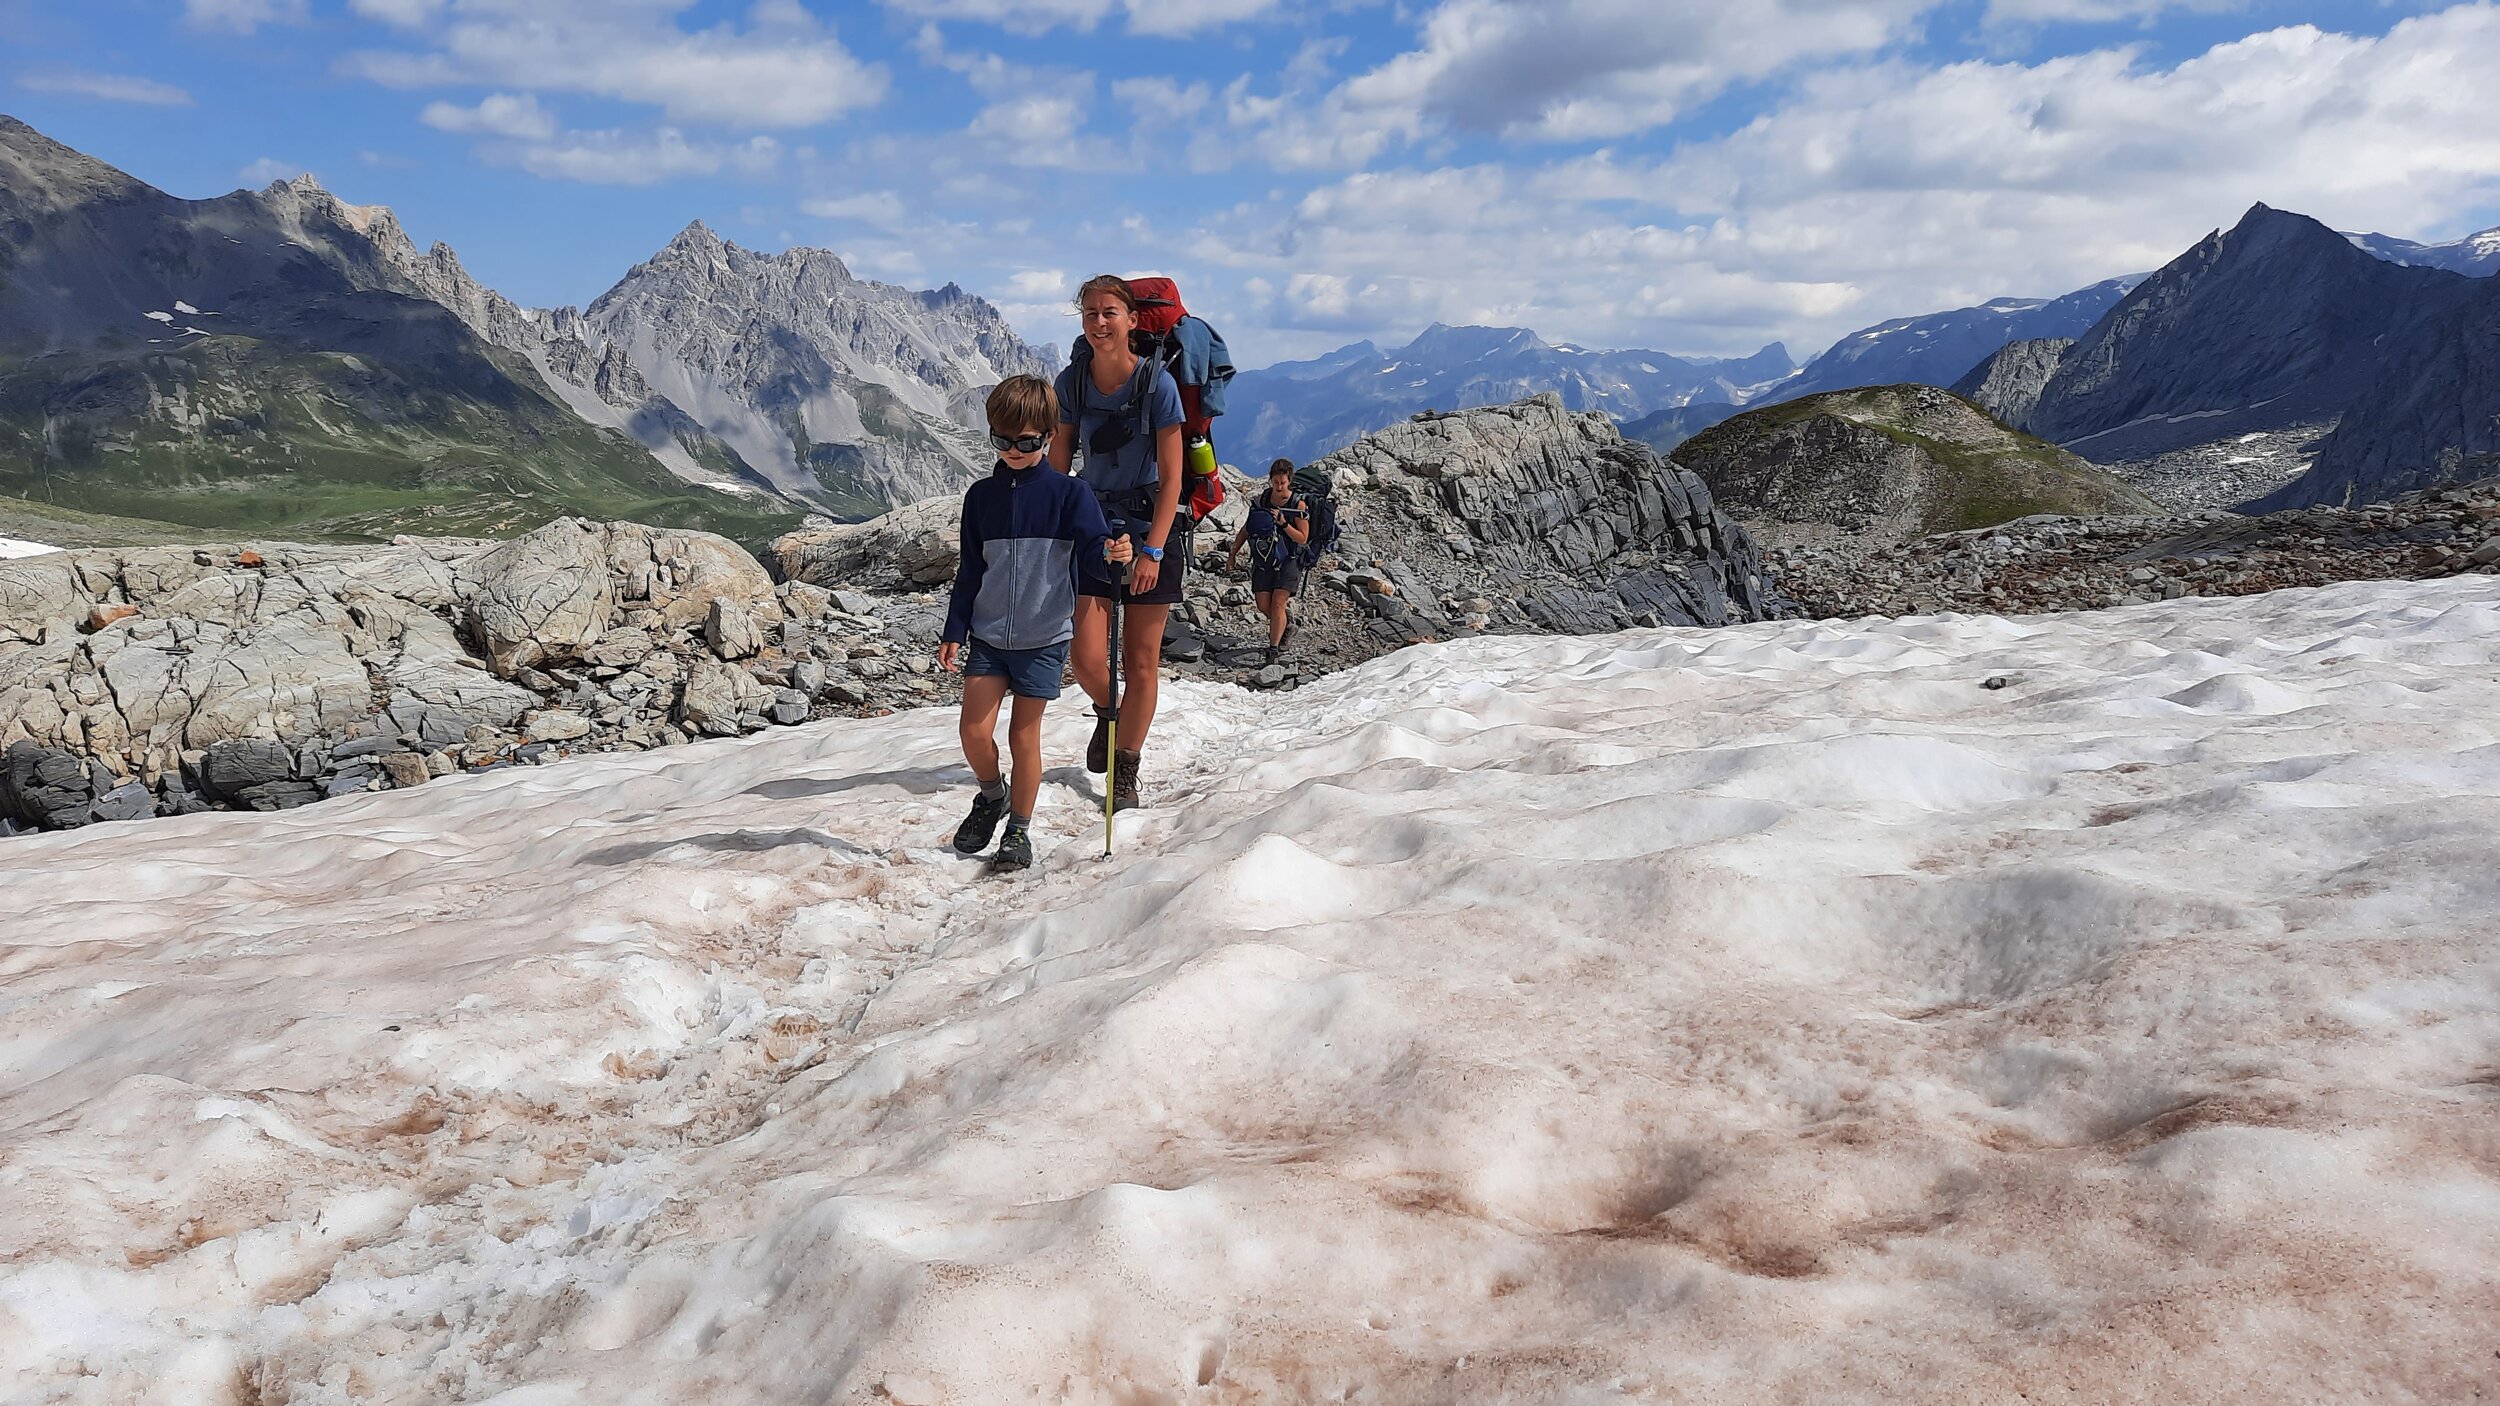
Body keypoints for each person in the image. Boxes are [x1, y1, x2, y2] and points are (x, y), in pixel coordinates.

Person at [940, 375, 1131, 871]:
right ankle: (991, 795)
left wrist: (1114, 554)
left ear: (1048, 436)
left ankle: (1019, 831)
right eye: (1001, 441)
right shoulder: (980, 498)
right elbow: (971, 569)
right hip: (987, 636)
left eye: (1024, 442)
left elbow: (1092, 558)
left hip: (1044, 638)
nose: (1013, 451)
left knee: (1024, 738)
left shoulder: (1071, 494)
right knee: (973, 732)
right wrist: (954, 630)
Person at [1051, 274, 1186, 812]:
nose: (1099, 322)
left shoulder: (1158, 385)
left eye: (1109, 312)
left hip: (1149, 522)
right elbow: (1059, 467)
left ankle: (1125, 770)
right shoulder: (1072, 383)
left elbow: (1174, 478)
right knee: (1087, 658)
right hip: (1092, 521)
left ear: (1132, 320)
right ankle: (1111, 716)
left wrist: (1153, 550)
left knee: (1142, 661)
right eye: (1090, 313)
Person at [1227, 457, 1311, 663]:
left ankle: (1273, 649)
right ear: (1271, 480)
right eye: (1276, 482)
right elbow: (1247, 528)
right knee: (1263, 604)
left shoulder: (1298, 504)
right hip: (1264, 558)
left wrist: (1283, 524)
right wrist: (1233, 553)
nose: (1279, 486)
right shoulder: (1262, 500)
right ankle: (1288, 625)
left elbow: (1302, 537)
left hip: (1290, 559)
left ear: (1289, 480)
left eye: (1283, 482)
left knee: (1277, 603)